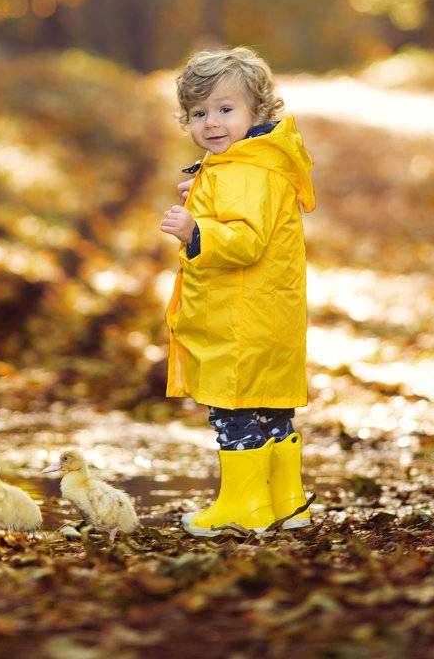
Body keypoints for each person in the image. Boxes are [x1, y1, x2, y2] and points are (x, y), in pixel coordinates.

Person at [160, 46, 315, 535]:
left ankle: (242, 507)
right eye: (199, 113)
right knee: (270, 411)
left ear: (258, 112)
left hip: (239, 321)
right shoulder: (253, 162)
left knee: (234, 411)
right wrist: (204, 199)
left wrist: (195, 231)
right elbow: (246, 212)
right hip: (267, 316)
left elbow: (245, 241)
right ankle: (284, 501)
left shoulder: (246, 171)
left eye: (226, 110)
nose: (212, 123)